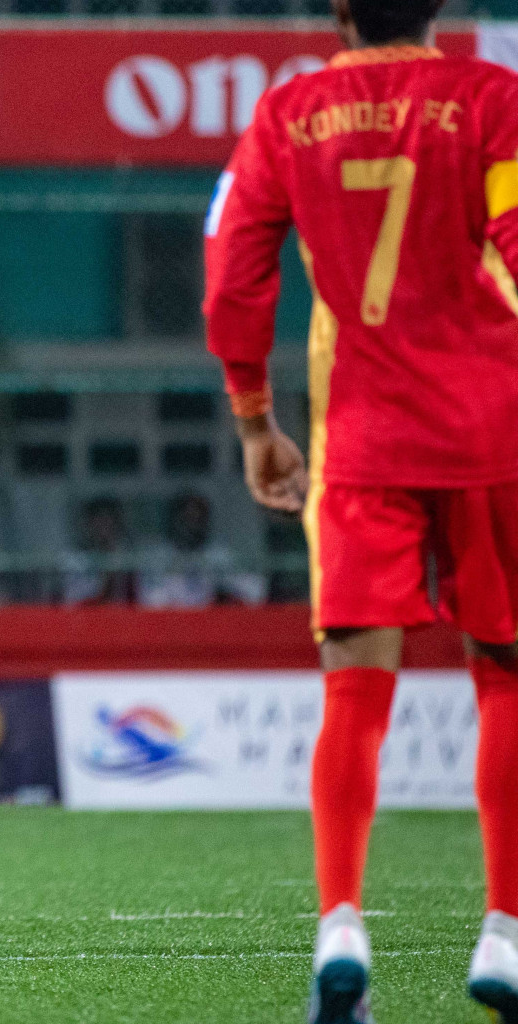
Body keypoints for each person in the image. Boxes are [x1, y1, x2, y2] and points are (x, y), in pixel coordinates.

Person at [205, 0, 518, 1018]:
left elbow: (233, 275)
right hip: (494, 428)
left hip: (363, 440)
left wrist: (255, 416)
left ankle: (341, 924)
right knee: (507, 677)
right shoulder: (491, 101)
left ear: (338, 9)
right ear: (445, 5)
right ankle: (506, 936)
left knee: (353, 691)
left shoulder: (289, 112)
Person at [136, 492, 266, 609]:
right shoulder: (158, 555)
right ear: (174, 520)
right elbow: (149, 599)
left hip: (213, 625)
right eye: (186, 518)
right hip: (169, 625)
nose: (191, 526)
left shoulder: (218, 555)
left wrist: (223, 592)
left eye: (197, 519)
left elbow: (255, 591)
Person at [60, 496, 136, 606]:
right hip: (88, 619)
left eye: (109, 520)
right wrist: (110, 569)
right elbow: (78, 603)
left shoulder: (128, 554)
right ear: (89, 523)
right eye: (99, 520)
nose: (104, 526)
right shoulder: (75, 558)